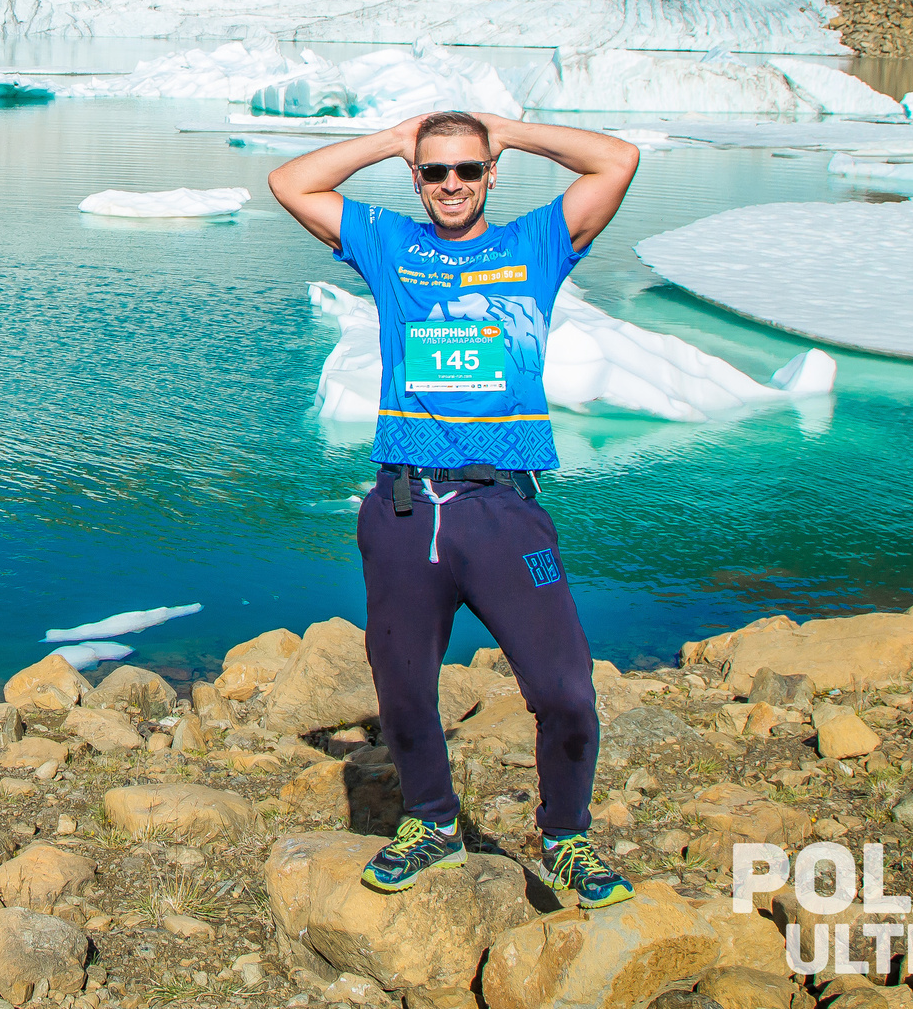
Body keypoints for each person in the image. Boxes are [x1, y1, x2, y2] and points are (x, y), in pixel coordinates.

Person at [268, 108, 641, 906]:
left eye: (467, 170)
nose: (450, 185)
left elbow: (616, 160)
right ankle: (433, 825)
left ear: (490, 174)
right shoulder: (391, 244)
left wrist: (508, 127)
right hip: (404, 508)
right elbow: (290, 182)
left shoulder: (534, 245)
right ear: (416, 177)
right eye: (434, 171)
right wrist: (393, 138)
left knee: (565, 691)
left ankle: (566, 839)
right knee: (403, 687)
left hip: (501, 508)